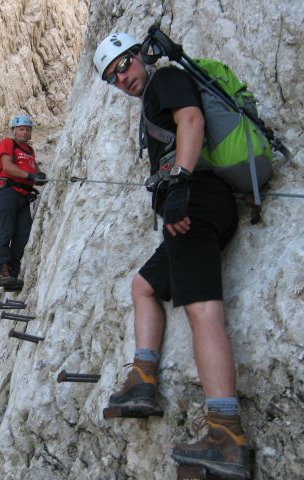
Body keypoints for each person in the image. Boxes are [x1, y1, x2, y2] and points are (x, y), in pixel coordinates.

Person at [93, 32, 250, 479]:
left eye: (123, 66)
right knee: (144, 286)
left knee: (202, 310)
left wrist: (179, 183)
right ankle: (142, 381)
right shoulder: (152, 95)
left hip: (195, 203)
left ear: (139, 56)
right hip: (190, 208)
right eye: (112, 77)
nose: (122, 78)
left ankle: (226, 433)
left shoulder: (167, 79)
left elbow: (192, 121)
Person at [0, 114, 47, 288]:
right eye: (21, 129)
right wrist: (29, 175)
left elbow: (34, 169)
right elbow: (7, 166)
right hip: (7, 192)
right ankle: (2, 272)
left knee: (23, 235)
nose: (25, 133)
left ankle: (13, 276)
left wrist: (39, 176)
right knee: (6, 230)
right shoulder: (8, 144)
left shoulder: (29, 151)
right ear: (14, 131)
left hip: (23, 196)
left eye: (28, 130)